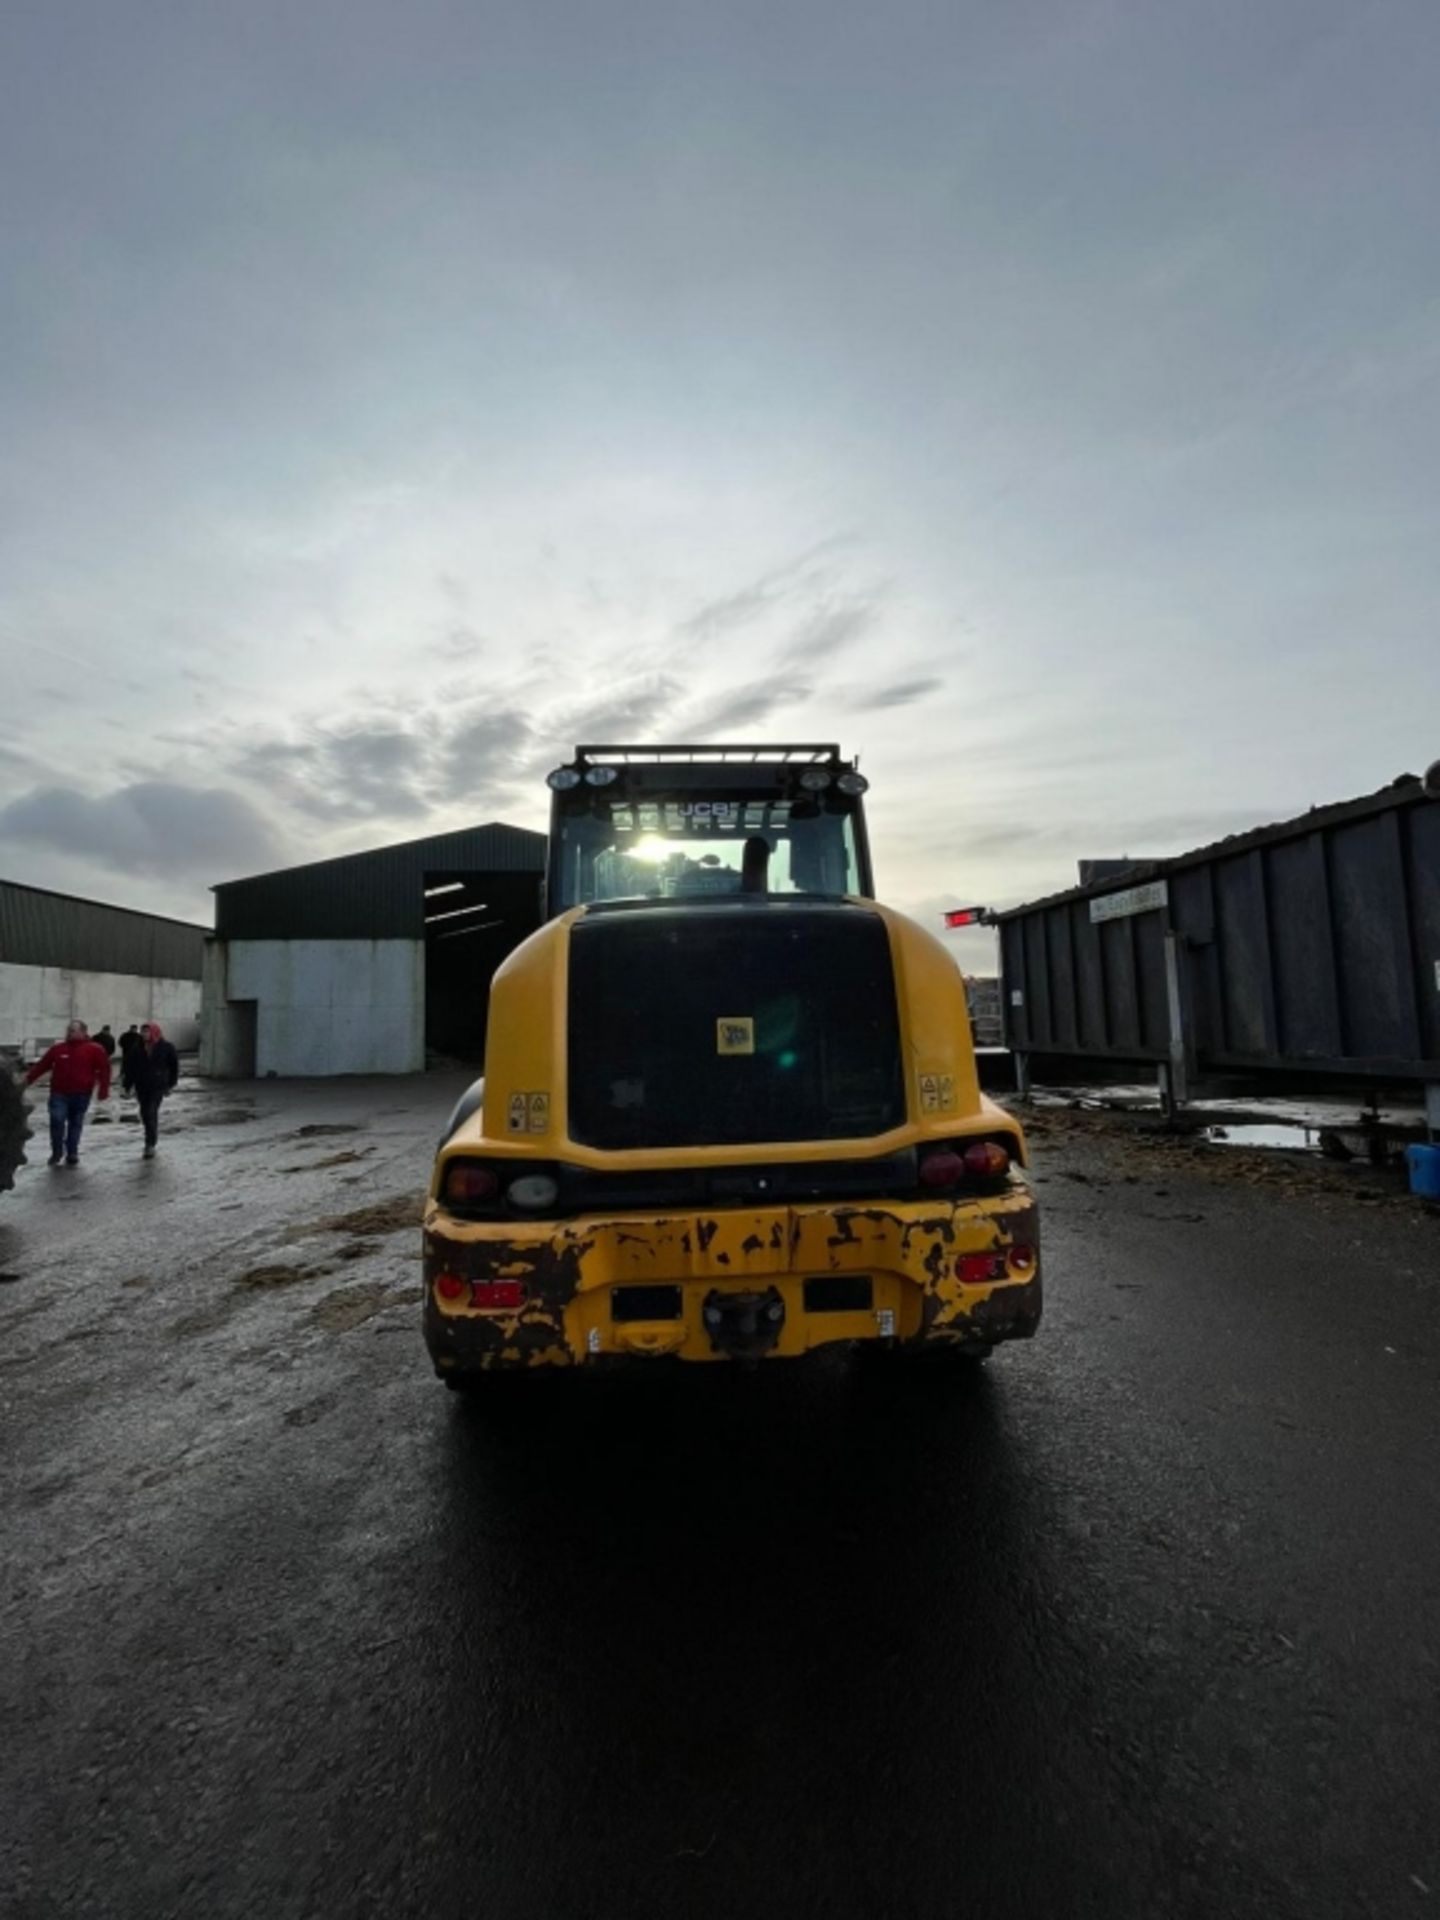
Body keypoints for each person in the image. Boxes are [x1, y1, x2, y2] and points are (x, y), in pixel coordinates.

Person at [23, 1021, 112, 1167]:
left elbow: (104, 1070)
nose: (69, 1032)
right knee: (57, 1121)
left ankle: (72, 1152)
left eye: (73, 1030)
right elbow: (42, 1066)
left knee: (75, 1124)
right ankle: (57, 1151)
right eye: (68, 1030)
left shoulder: (94, 1050)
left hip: (82, 1094)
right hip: (59, 1094)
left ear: (83, 1032)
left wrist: (103, 1090)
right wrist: (26, 1081)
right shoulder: (58, 1049)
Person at [122, 1021, 179, 1159]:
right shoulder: (137, 1048)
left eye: (146, 1031)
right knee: (145, 1113)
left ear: (154, 1032)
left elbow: (174, 1067)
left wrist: (170, 1085)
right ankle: (150, 1137)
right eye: (142, 1031)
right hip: (142, 1086)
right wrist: (127, 1086)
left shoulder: (166, 1047)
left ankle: (150, 1144)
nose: (144, 1034)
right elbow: (130, 1069)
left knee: (150, 1112)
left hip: (158, 1086)